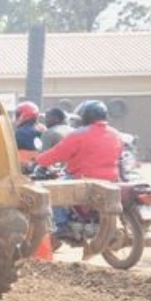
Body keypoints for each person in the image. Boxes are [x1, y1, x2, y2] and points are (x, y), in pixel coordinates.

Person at [33, 100, 124, 235]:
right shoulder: (116, 134)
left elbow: (56, 154)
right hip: (112, 180)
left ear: (85, 116)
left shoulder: (79, 134)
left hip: (83, 179)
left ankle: (61, 225)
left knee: (52, 192)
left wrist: (39, 160)